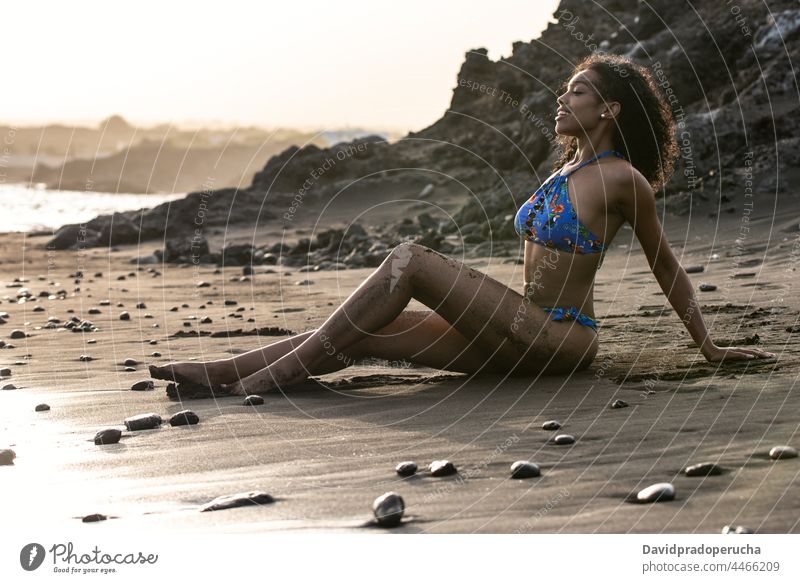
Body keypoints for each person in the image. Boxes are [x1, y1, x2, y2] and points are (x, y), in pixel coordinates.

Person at [150, 53, 774, 397]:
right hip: (515, 330)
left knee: (410, 260)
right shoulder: (565, 170)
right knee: (367, 332)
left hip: (560, 336)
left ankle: (271, 378)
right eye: (565, 89)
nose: (562, 98)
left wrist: (709, 346)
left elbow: (665, 265)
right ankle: (221, 371)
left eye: (577, 91)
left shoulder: (621, 180)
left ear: (608, 108)